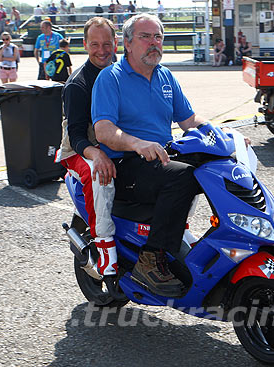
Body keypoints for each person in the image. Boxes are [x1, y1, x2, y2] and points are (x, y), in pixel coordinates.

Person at [92, 14, 205, 297]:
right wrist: (137, 143)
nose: (154, 43)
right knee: (184, 176)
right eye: (146, 37)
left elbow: (189, 121)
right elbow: (104, 131)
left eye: (158, 37)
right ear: (128, 44)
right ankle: (150, 258)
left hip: (161, 157)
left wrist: (226, 137)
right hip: (127, 163)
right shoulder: (110, 78)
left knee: (216, 166)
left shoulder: (165, 75)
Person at [55, 17, 119, 277]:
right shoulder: (77, 84)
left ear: (115, 43)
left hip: (114, 143)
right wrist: (96, 153)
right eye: (95, 44)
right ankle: (104, 247)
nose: (102, 50)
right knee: (99, 173)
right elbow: (77, 134)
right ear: (84, 45)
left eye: (107, 43)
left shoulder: (123, 73)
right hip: (80, 149)